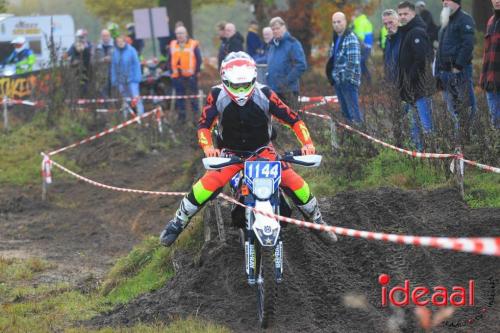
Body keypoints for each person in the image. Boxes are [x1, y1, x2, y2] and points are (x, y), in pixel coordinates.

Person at [159, 52, 337, 247]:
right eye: (236, 86)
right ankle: (178, 222)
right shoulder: (217, 95)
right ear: (225, 81)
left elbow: (294, 119)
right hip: (231, 153)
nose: (242, 90)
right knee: (208, 184)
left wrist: (308, 143)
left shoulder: (265, 94)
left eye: (246, 85)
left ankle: (317, 221)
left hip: (262, 151)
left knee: (295, 183)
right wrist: (208, 147)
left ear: (254, 79)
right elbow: (204, 125)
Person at [435, 0, 476, 145]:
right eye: (443, 0)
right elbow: (439, 51)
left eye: (448, 0)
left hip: (460, 73)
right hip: (444, 74)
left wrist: (457, 67)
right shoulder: (445, 23)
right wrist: (437, 74)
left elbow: (468, 44)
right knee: (452, 111)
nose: (444, 2)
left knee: (467, 107)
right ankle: (457, 144)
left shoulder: (465, 19)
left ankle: (468, 142)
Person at [397, 1, 435, 152]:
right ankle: (420, 155)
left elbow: (421, 59)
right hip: (411, 90)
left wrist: (408, 80)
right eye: (400, 14)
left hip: (420, 88)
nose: (402, 17)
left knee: (426, 126)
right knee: (414, 127)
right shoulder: (406, 31)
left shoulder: (417, 31)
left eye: (405, 14)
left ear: (413, 13)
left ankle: (432, 154)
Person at [325, 12, 362, 125]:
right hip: (338, 81)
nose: (336, 24)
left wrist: (345, 79)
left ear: (345, 22)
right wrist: (334, 78)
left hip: (348, 82)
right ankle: (350, 139)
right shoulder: (336, 38)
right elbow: (334, 59)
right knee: (346, 114)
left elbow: (353, 61)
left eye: (339, 21)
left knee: (354, 114)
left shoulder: (350, 37)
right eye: (334, 22)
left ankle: (360, 139)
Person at [267, 16, 307, 108]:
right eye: (273, 29)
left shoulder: (293, 43)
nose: (275, 31)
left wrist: (286, 81)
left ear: (284, 27)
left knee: (290, 120)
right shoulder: (272, 46)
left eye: (277, 28)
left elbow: (301, 65)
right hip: (273, 90)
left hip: (288, 91)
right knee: (276, 121)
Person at [168, 25, 202, 123]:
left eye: (181, 33)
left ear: (186, 33)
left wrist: (196, 73)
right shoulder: (172, 44)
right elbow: (169, 60)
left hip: (191, 76)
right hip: (177, 77)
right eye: (178, 33)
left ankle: (196, 118)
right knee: (180, 98)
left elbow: (198, 60)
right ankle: (182, 118)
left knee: (193, 98)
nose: (180, 35)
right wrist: (171, 72)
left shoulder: (193, 44)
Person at [111, 34, 144, 117]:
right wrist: (114, 80)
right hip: (121, 80)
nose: (120, 43)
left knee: (135, 98)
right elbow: (113, 67)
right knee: (124, 100)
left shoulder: (131, 50)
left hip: (132, 79)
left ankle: (140, 115)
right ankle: (126, 117)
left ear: (125, 41)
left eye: (122, 41)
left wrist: (137, 77)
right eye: (118, 42)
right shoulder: (115, 53)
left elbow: (136, 64)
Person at [479, 0, 500, 129]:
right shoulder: (491, 21)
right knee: (495, 124)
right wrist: (483, 79)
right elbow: (487, 53)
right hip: (491, 82)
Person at [66, 29, 93, 97]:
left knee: (85, 86)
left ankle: (85, 98)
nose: (81, 39)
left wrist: (84, 48)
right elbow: (69, 53)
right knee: (77, 86)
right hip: (76, 70)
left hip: (87, 69)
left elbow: (90, 52)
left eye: (82, 37)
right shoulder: (74, 45)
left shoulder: (88, 45)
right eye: (79, 37)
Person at [351, 8, 374, 84]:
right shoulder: (365, 20)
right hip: (367, 46)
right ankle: (368, 82)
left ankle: (364, 82)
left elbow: (360, 36)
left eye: (353, 13)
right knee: (362, 63)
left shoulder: (358, 21)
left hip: (362, 46)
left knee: (359, 63)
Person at [95, 29, 114, 97]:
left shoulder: (115, 46)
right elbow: (93, 60)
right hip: (102, 74)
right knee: (103, 92)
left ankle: (114, 106)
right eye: (104, 36)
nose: (105, 37)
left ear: (110, 36)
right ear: (101, 37)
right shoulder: (97, 47)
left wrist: (111, 59)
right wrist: (102, 60)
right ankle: (106, 106)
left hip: (113, 73)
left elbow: (120, 59)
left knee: (113, 91)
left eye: (107, 35)